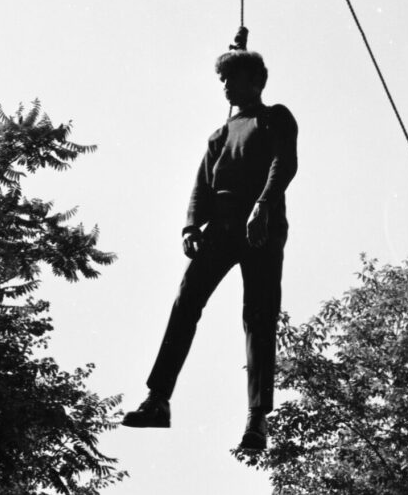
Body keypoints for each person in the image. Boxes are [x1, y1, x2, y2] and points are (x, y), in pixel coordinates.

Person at [122, 46, 298, 451]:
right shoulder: (219, 134)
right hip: (221, 226)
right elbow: (202, 184)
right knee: (186, 303)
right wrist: (190, 225)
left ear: (255, 81)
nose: (224, 85)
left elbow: (283, 163)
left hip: (262, 226)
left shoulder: (275, 117)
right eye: (221, 79)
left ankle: (257, 419)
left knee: (259, 315)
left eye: (230, 78)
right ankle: (158, 400)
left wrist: (264, 206)